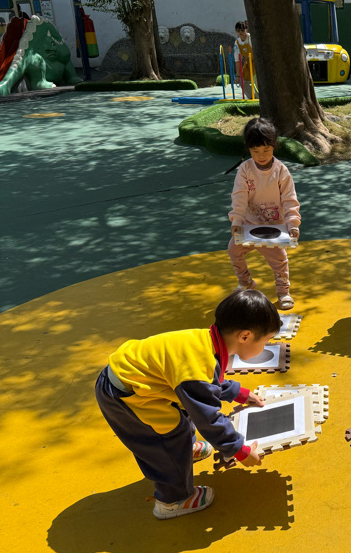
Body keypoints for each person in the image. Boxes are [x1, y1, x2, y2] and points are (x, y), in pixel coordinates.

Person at [95, 290, 278, 519]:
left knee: (183, 411)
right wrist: (238, 449)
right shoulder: (198, 364)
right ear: (245, 336)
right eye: (266, 341)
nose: (266, 346)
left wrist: (238, 393)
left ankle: (186, 449)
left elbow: (207, 382)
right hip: (123, 395)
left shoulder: (205, 341)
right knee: (166, 440)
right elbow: (207, 417)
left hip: (132, 381)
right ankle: (173, 500)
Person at [228, 117, 300, 310]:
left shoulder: (281, 171)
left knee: (279, 261)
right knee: (234, 250)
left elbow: (289, 199)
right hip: (248, 225)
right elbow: (239, 196)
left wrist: (292, 223)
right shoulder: (245, 169)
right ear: (248, 148)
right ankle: (246, 282)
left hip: (273, 227)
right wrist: (237, 221)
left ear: (274, 145)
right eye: (255, 151)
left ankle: (283, 292)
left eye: (266, 150)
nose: (261, 155)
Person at [233, 20, 254, 99]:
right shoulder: (237, 43)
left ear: (246, 30)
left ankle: (261, 98)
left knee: (257, 82)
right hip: (249, 63)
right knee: (242, 81)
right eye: (238, 30)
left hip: (257, 63)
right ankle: (252, 98)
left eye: (242, 30)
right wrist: (238, 75)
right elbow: (237, 60)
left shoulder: (250, 38)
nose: (240, 32)